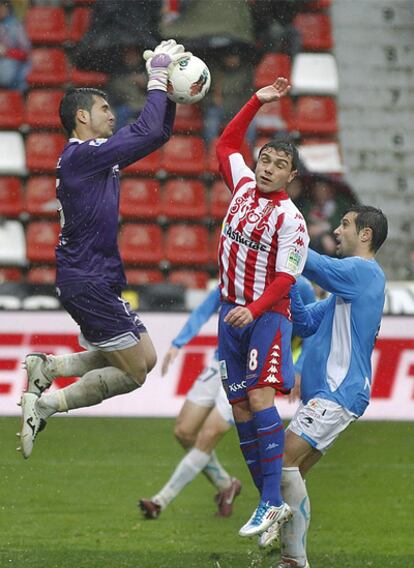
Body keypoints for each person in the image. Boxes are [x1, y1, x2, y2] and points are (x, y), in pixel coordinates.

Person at [18, 40, 191, 459]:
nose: (112, 115)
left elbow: (159, 133)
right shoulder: (83, 156)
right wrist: (156, 78)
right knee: (134, 375)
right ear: (82, 117)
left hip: (96, 277)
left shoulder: (93, 157)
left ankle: (51, 368)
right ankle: (44, 404)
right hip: (87, 280)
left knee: (145, 357)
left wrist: (168, 92)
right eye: (104, 109)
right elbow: (146, 130)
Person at [255, 204, 388, 568]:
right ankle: (294, 560)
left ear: (365, 235)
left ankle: (294, 562)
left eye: (345, 224)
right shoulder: (348, 288)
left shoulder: (362, 272)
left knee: (281, 464)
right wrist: (292, 284)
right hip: (337, 395)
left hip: (338, 393)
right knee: (289, 475)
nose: (338, 230)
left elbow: (315, 265)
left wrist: (286, 237)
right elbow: (308, 322)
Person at [216, 77, 310, 540]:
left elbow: (286, 279)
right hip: (228, 313)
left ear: (292, 176)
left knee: (259, 399)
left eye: (280, 165)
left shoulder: (291, 220)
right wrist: (256, 100)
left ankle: (273, 500)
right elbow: (226, 141)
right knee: (239, 411)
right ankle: (267, 503)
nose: (269, 168)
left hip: (265, 316)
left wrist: (253, 311)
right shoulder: (241, 185)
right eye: (266, 160)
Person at [139, 285, 242, 519]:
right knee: (184, 432)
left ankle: (160, 501)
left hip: (248, 372)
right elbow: (204, 310)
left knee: (208, 435)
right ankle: (227, 485)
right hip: (220, 363)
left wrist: (295, 367)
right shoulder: (233, 273)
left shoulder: (293, 283)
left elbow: (305, 327)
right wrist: (177, 344)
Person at [0, 0, 31, 92]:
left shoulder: (16, 25)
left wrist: (7, 52)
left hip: (15, 66)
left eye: (1, 7)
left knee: (7, 71)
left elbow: (25, 52)